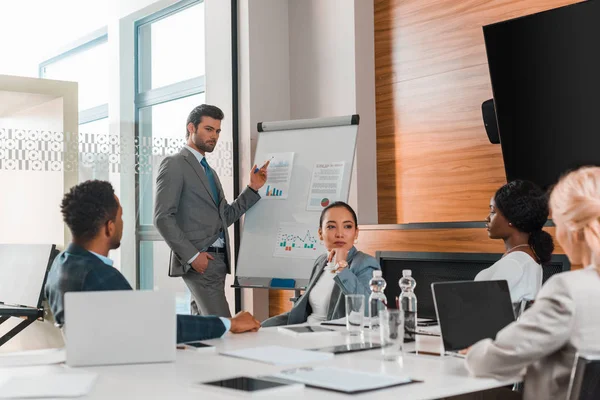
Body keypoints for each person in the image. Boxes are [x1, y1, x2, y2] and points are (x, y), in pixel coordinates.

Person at [45, 180, 261, 343]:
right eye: (120, 217)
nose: (122, 223)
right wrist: (229, 323)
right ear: (109, 227)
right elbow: (156, 326)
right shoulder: (98, 276)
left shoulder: (61, 265)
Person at [462, 167, 600, 400]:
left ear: (574, 231)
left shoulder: (568, 290)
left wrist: (474, 352)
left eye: (557, 223)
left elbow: (489, 362)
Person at [154, 104, 269, 317]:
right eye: (208, 129)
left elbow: (224, 216)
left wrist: (252, 188)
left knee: (205, 333)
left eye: (217, 131)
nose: (214, 136)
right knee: (223, 327)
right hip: (200, 262)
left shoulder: (210, 171)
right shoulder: (175, 164)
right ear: (191, 128)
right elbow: (162, 218)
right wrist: (192, 257)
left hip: (217, 262)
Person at [262, 202, 380, 327]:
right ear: (320, 233)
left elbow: (370, 312)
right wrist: (260, 326)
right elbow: (299, 314)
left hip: (333, 338)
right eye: (331, 227)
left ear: (356, 233)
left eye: (347, 226)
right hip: (306, 332)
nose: (340, 234)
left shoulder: (365, 263)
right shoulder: (321, 261)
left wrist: (342, 268)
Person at [476, 180, 554, 304]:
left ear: (511, 218)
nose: (487, 218)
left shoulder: (514, 263)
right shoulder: (528, 258)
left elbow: (482, 309)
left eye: (492, 212)